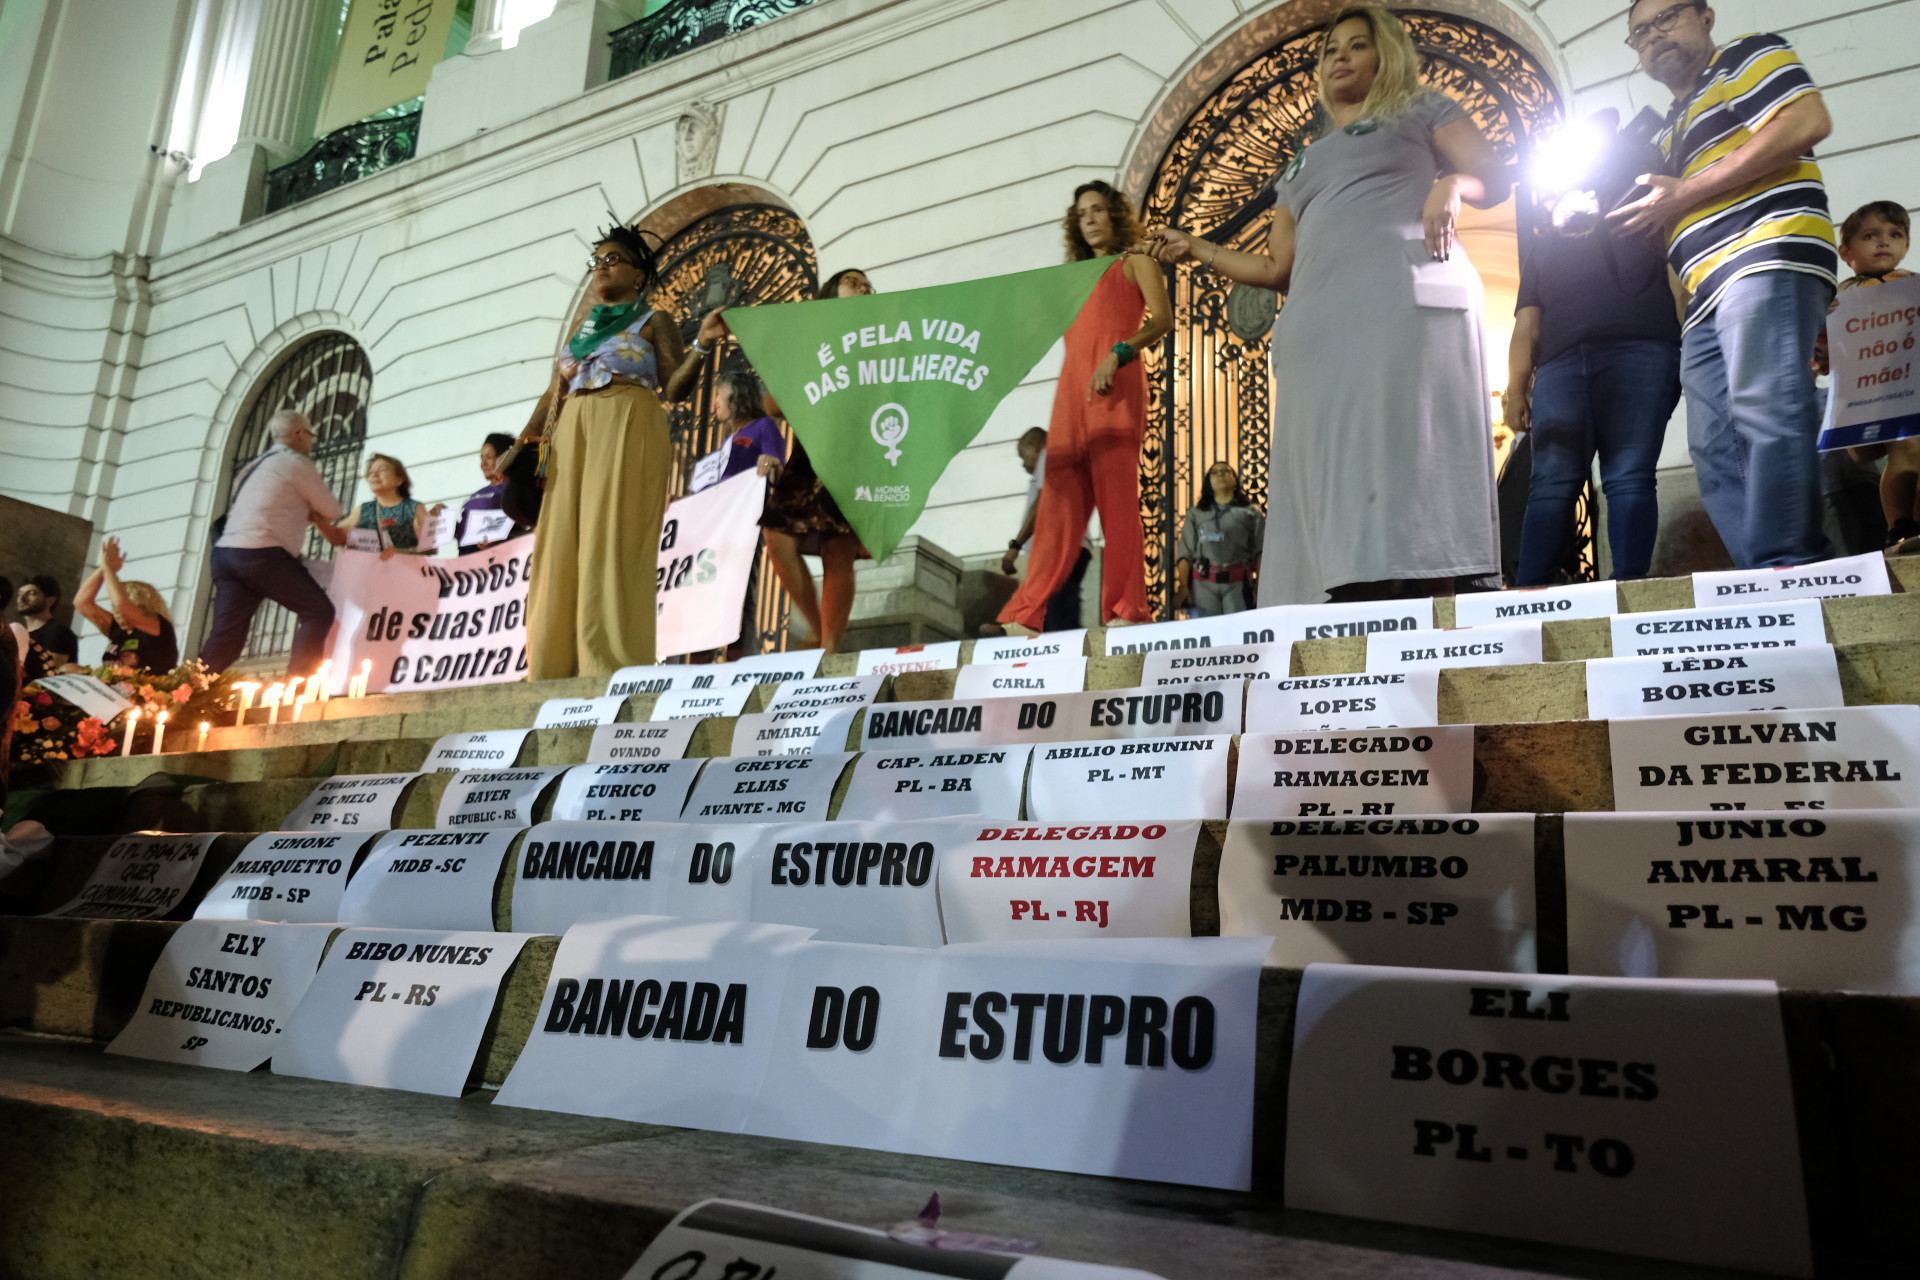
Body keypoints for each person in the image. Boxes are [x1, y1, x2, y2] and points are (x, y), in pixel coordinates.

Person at [1149, 6, 1508, 605]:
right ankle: (1341, 596)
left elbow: (1493, 175)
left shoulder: (1421, 109)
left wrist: (1451, 185)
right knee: (1333, 472)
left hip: (1401, 307)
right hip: (1317, 330)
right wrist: (1197, 248)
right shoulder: (1300, 164)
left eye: (1357, 45)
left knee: (1401, 447)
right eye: (1330, 49)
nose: (1339, 56)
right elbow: (1274, 269)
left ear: (1385, 54)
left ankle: (1419, 585)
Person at [1611, 0, 1837, 569]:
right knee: (1714, 445)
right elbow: (1676, 224)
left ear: (1705, 16)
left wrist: (1683, 194)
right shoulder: (1666, 132)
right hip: (1703, 296)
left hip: (1767, 249)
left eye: (1666, 18)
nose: (1653, 36)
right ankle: (1765, 572)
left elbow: (1807, 121)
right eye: (1640, 33)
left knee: (1767, 407)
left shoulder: (1746, 54)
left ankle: (1789, 564)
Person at [516, 225, 702, 679]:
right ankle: (551, 663)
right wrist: (520, 448)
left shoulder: (653, 320)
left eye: (612, 258)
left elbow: (676, 387)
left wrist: (703, 345)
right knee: (560, 544)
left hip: (628, 421)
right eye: (596, 260)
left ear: (639, 275)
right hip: (571, 432)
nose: (601, 267)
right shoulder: (585, 328)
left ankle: (608, 663)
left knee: (612, 539)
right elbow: (553, 392)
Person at [998, 180, 1171, 634]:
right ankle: (1026, 612)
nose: (1090, 219)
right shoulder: (1070, 280)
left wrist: (1118, 352)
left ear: (1113, 213)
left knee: (1117, 505)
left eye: (1097, 209)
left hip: (1115, 386)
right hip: (1070, 396)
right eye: (1082, 214)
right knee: (1057, 501)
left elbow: (1162, 319)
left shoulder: (1135, 260)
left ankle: (1125, 609)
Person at [1506, 185, 1682, 585]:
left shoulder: (1645, 224)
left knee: (1629, 475)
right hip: (1562, 366)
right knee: (1551, 482)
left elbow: (1679, 286)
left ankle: (1629, 592)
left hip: (1645, 350)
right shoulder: (1544, 249)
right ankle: (1531, 597)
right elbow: (1526, 327)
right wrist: (1515, 390)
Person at [203, 409, 343, 677]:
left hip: (225, 556)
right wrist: (311, 509)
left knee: (225, 640)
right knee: (318, 612)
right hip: (261, 553)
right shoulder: (294, 463)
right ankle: (297, 687)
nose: (311, 442)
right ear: (300, 434)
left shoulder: (250, 467)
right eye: (311, 435)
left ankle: (183, 699)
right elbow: (332, 509)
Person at [1824, 202, 1915, 550]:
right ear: (1846, 251)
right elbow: (1827, 341)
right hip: (1872, 390)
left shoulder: (1912, 286)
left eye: (1895, 235)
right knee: (1904, 449)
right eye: (1870, 236)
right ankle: (1900, 524)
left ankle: (1913, 525)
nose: (1884, 242)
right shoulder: (1841, 297)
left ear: (1906, 245)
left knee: (1915, 450)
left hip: (1911, 384)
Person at [993, 427, 1091, 633]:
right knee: (1052, 610)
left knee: (1060, 613)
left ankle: (1068, 650)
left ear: (1035, 446)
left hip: (1058, 548)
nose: (1023, 464)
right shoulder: (1057, 461)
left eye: (1023, 455)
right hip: (1062, 547)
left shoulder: (1048, 456)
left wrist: (1015, 545)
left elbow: (1043, 502)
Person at [75, 537, 179, 674]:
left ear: (143, 606)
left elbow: (122, 605)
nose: (116, 612)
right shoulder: (118, 629)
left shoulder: (158, 626)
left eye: (118, 607)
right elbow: (82, 603)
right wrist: (103, 568)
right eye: (113, 608)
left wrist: (109, 570)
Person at [1173, 461, 1265, 615]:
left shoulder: (1251, 513)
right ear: (1208, 482)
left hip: (1238, 583)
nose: (1220, 474)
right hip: (1203, 585)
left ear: (1235, 480)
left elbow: (1260, 552)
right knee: (1206, 634)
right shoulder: (1195, 515)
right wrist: (1183, 585)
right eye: (1214, 473)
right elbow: (1185, 553)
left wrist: (1260, 586)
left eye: (1226, 471)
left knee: (1237, 633)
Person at [335, 454, 440, 556]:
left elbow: (431, 548)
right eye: (370, 472)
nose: (374, 475)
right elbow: (337, 536)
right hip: (370, 571)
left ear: (399, 480)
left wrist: (399, 552)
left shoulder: (414, 508)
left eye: (382, 470)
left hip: (405, 571)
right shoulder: (363, 509)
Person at [456, 433, 529, 554]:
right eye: (481, 458)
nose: (483, 464)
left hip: (498, 559)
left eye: (488, 457)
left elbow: (523, 522)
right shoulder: (477, 493)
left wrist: (500, 540)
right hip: (467, 561)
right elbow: (463, 532)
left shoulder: (513, 487)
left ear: (503, 458)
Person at [15, 576, 78, 682]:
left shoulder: (58, 631)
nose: (22, 598)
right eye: (20, 594)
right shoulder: (22, 633)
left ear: (50, 601)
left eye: (31, 593)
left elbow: (50, 674)